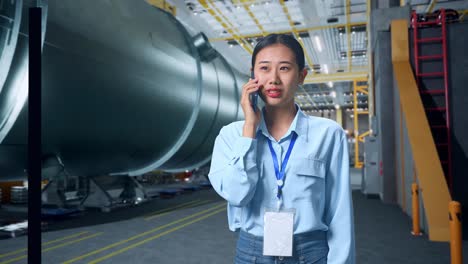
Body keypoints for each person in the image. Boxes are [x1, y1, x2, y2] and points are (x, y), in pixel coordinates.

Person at [208, 34, 355, 264]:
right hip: (252, 253)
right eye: (264, 68)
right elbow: (237, 195)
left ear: (301, 76)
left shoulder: (328, 134)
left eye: (284, 68)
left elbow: (340, 212)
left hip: (311, 253)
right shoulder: (231, 135)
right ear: (253, 75)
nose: (273, 79)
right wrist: (249, 129)